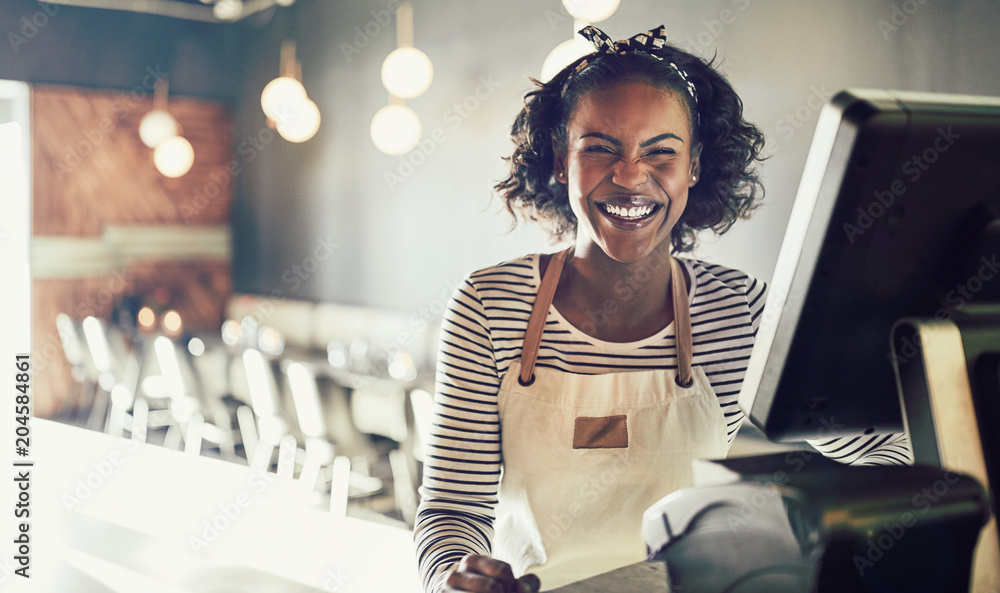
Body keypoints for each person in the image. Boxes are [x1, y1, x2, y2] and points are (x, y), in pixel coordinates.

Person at [414, 25, 911, 593]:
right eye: (599, 148)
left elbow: (887, 456)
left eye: (661, 153)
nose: (629, 177)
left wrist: (807, 540)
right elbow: (453, 513)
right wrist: (455, 580)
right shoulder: (489, 305)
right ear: (560, 160)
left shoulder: (740, 312)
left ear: (694, 167)